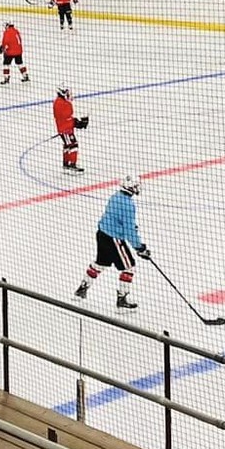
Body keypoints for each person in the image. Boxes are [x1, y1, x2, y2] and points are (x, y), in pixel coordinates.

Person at [76, 174, 146, 310]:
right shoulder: (129, 205)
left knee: (100, 263)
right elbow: (129, 230)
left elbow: (116, 218)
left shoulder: (115, 196)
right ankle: (122, 299)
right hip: (114, 239)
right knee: (129, 267)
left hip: (102, 234)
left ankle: (81, 290)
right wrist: (139, 247)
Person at [53, 85, 88, 175]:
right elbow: (65, 118)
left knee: (68, 145)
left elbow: (68, 117)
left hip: (66, 128)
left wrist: (76, 121)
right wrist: (76, 123)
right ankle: (71, 165)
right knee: (73, 144)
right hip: (65, 129)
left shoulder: (62, 102)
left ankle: (66, 164)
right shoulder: (61, 103)